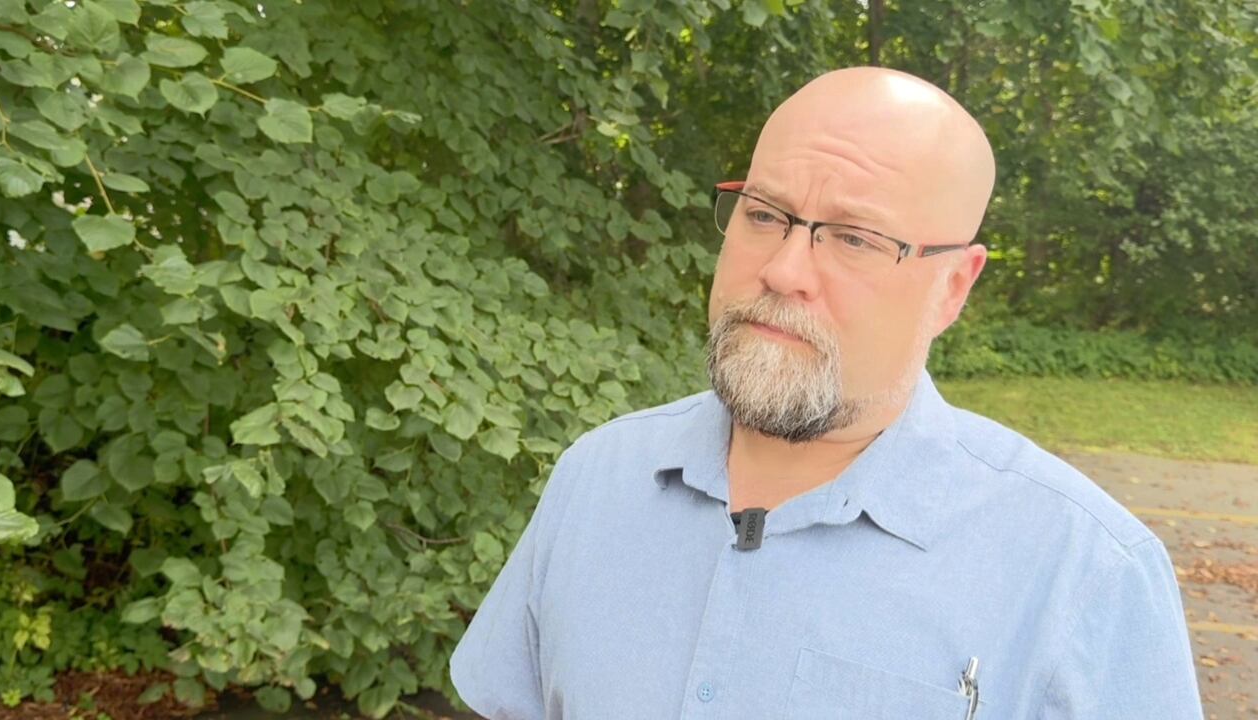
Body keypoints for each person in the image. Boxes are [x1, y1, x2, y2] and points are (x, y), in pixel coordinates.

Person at [449, 67, 1202, 719]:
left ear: (952, 287)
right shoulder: (597, 477)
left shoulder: (1086, 573)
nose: (783, 270)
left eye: (855, 238)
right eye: (764, 215)